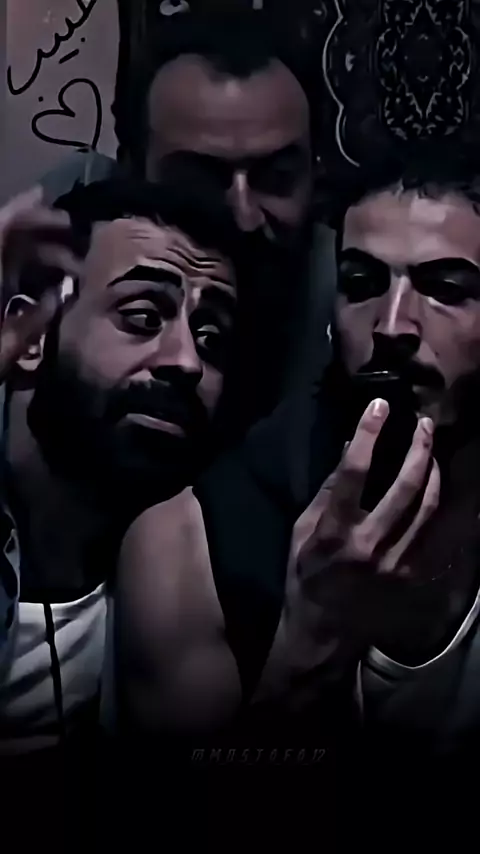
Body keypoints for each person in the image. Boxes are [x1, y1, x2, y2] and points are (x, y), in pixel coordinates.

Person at [115, 138, 480, 761]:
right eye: (361, 284)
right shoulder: (188, 547)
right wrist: (309, 640)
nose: (392, 325)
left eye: (445, 288)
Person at [0, 176, 241, 759]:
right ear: (32, 338)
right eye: (142, 316)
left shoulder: (190, 569)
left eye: (211, 338)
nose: (187, 361)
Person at [1, 9, 335, 417]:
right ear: (131, 170)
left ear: (316, 175)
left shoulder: (356, 295)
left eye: (277, 179)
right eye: (198, 183)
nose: (244, 217)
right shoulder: (53, 251)